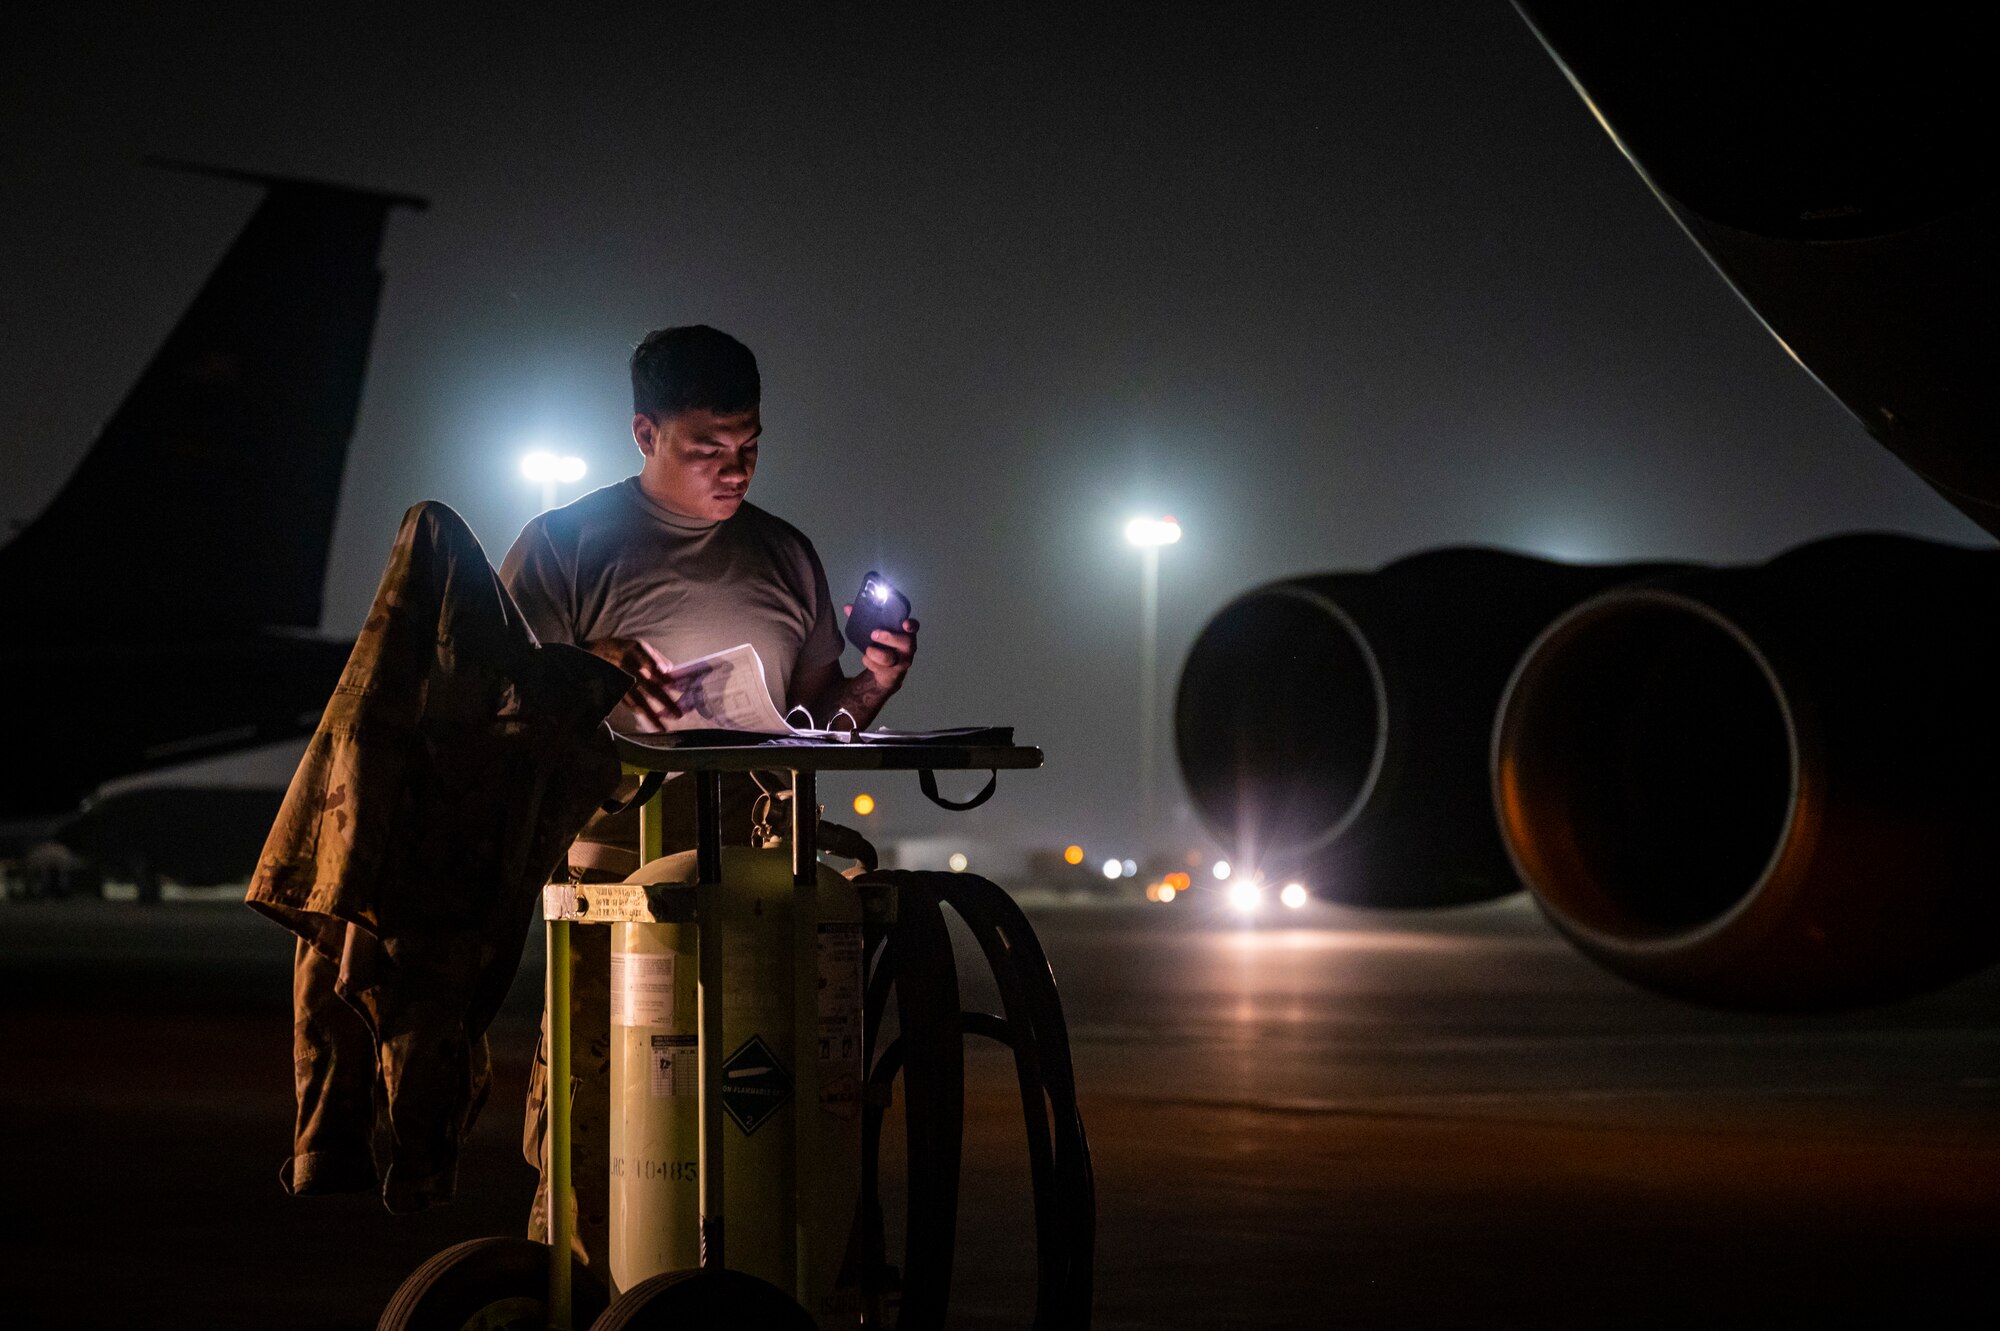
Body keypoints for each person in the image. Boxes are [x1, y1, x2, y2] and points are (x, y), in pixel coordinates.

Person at [497, 323, 918, 1266]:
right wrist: (592, 668)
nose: (736, 470)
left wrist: (872, 686)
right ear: (644, 433)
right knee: (595, 1123)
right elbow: (488, 698)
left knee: (768, 1116)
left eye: (750, 445)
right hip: (617, 884)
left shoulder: (785, 554)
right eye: (708, 448)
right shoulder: (564, 546)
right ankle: (583, 1291)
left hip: (767, 885)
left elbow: (811, 711)